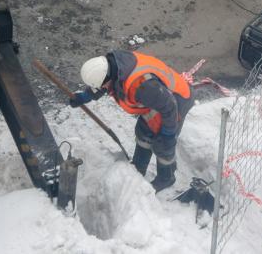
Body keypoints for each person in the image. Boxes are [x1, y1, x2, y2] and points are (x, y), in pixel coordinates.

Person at [70, 50, 194, 192]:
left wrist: (168, 134)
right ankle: (138, 168)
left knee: (163, 144)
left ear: (107, 78)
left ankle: (166, 177)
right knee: (143, 133)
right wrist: (85, 97)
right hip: (156, 100)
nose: (101, 89)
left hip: (176, 103)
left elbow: (170, 106)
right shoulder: (113, 66)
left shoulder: (141, 85)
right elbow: (104, 84)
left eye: (101, 86)